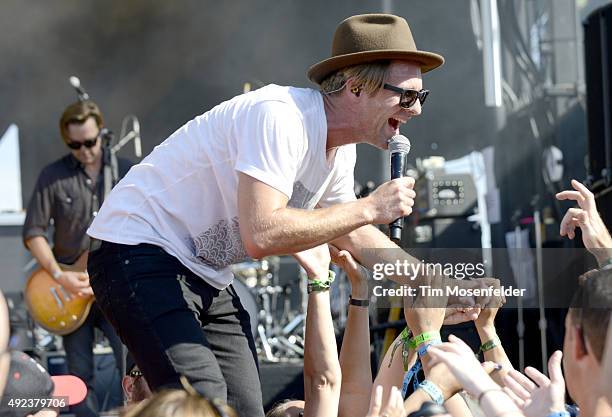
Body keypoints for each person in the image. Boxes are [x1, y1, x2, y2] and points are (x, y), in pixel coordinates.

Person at [86, 12, 488, 416]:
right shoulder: (281, 116)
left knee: (245, 407)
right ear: (355, 87)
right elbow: (260, 233)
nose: (416, 109)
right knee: (202, 402)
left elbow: (351, 232)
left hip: (202, 273)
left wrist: (431, 280)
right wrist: (369, 207)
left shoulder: (340, 151)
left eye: (422, 96)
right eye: (406, 95)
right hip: (137, 251)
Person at [22, 100, 131, 417]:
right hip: (70, 289)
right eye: (75, 144)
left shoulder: (123, 172)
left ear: (102, 133)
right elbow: (34, 232)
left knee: (134, 362)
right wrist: (60, 275)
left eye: (90, 142)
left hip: (113, 285)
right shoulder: (53, 176)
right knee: (79, 376)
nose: (84, 150)